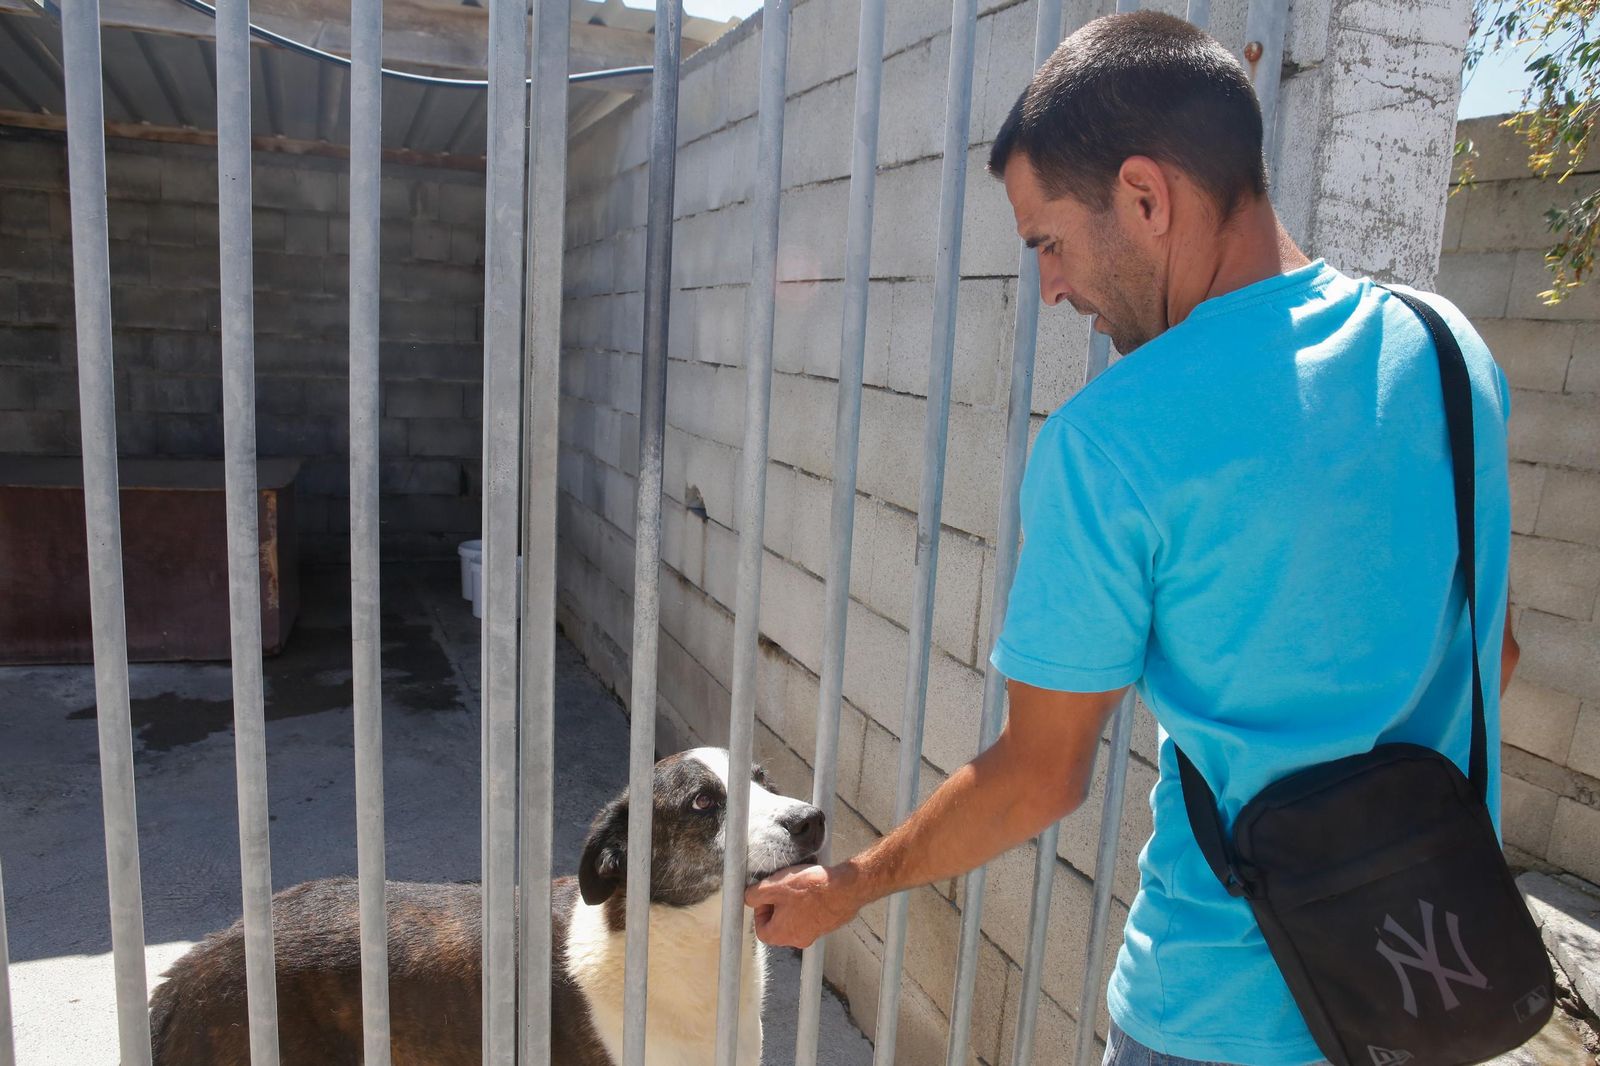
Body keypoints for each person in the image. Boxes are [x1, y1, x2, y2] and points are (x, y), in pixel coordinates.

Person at [744, 10, 1521, 1066]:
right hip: (1435, 986)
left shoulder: (1115, 437)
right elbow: (1496, 654)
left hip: (1218, 1018)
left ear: (1146, 196)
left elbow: (1039, 776)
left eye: (1047, 242)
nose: (1052, 285)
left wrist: (854, 884)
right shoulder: (1446, 350)